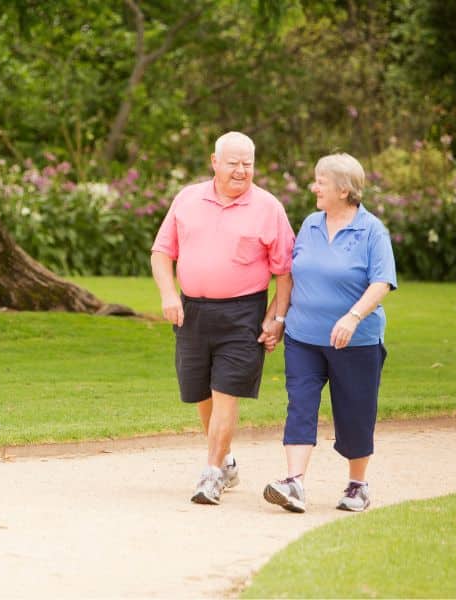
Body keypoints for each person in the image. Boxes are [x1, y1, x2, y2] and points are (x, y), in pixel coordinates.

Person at [151, 131, 295, 505]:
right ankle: (227, 462)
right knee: (201, 394)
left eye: (248, 163)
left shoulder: (268, 208)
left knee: (226, 393)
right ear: (214, 162)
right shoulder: (187, 199)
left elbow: (286, 271)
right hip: (192, 311)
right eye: (233, 163)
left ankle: (211, 474)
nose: (241, 171)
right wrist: (169, 295)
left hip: (243, 314)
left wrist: (276, 317)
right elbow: (162, 252)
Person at [262, 152, 397, 514]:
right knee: (300, 405)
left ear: (343, 188)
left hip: (356, 342)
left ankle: (357, 485)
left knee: (355, 412)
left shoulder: (372, 230)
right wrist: (277, 318)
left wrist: (352, 317)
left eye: (320, 181)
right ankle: (294, 483)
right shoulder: (309, 224)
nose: (313, 187)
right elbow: (291, 276)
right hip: (303, 337)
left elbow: (382, 282)